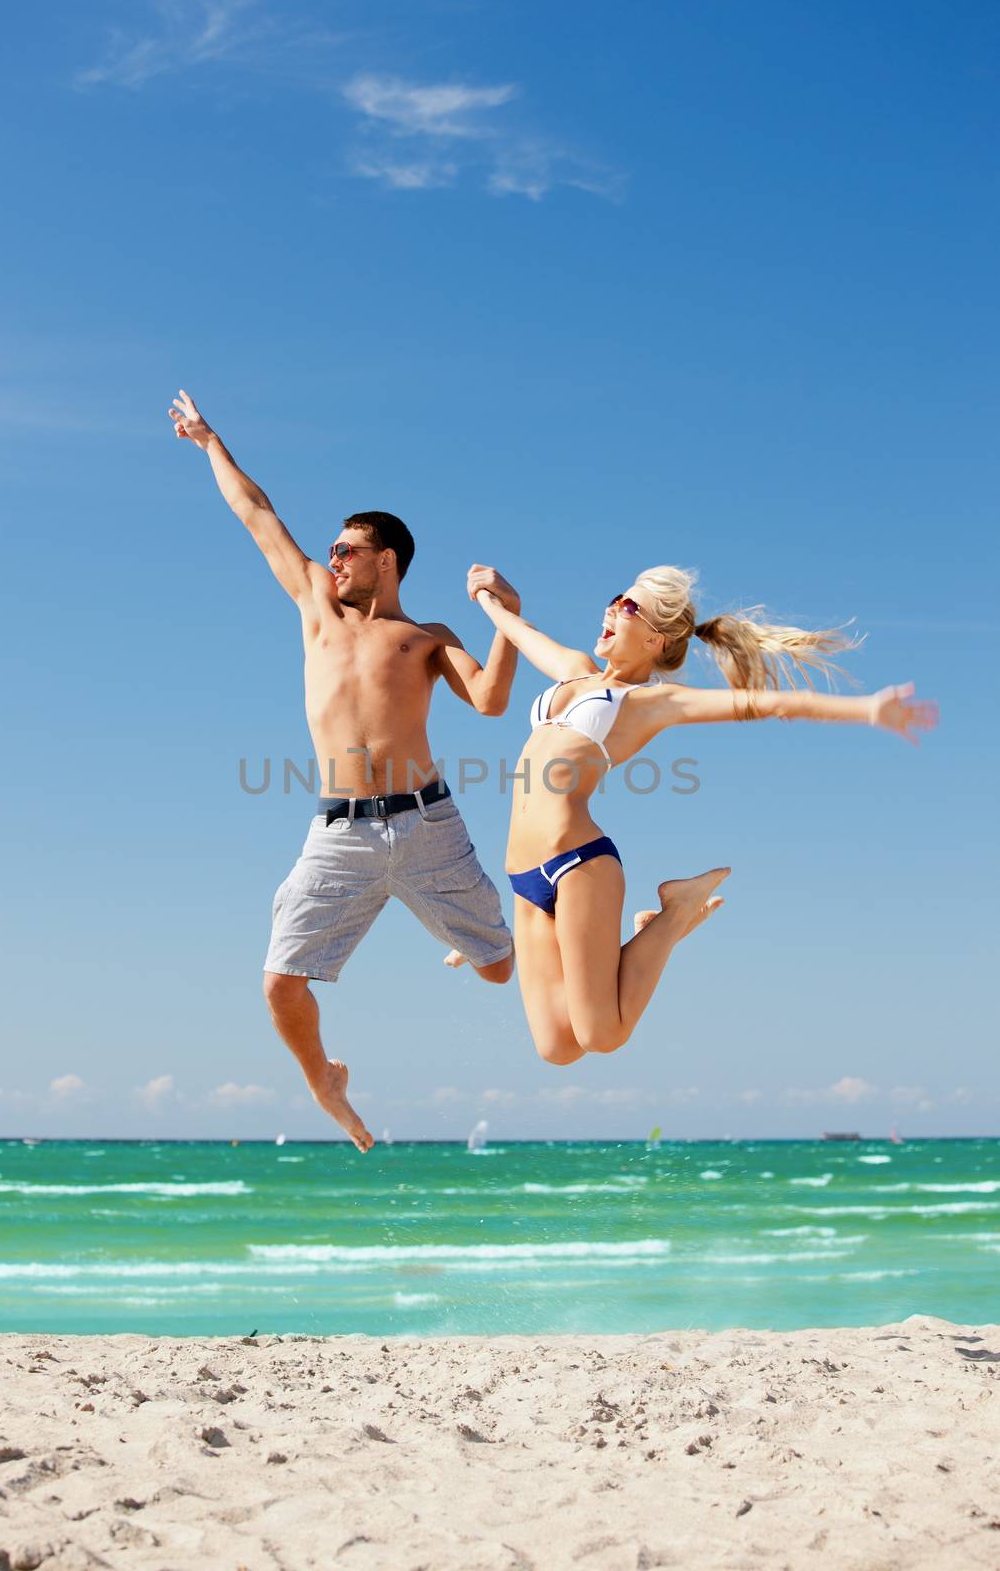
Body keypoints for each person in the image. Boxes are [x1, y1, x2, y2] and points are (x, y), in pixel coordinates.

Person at [169, 391, 517, 1151]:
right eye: (330, 550)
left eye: (345, 550)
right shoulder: (315, 610)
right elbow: (256, 514)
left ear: (384, 561)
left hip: (428, 825)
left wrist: (504, 616)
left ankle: (466, 933)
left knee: (498, 973)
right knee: (278, 982)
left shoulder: (425, 637)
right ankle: (323, 1079)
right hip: (339, 834)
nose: (331, 558)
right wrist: (208, 441)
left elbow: (490, 700)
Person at [467, 563, 938, 1066]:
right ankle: (664, 923)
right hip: (521, 872)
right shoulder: (575, 669)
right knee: (558, 1048)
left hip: (578, 863)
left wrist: (868, 709)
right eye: (616, 597)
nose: (612, 608)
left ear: (655, 639)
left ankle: (674, 915)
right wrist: (487, 600)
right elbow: (523, 634)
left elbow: (765, 703)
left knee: (602, 1035)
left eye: (630, 608)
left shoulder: (653, 701)